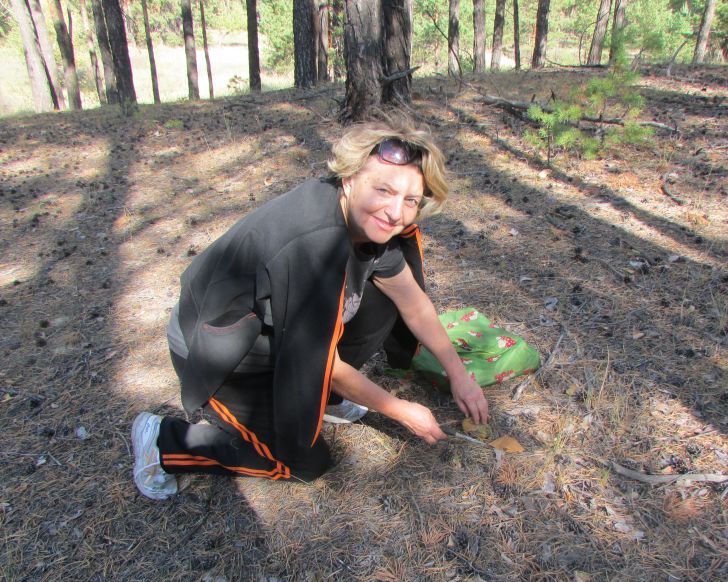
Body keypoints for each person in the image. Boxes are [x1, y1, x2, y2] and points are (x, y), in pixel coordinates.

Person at [131, 117, 489, 499]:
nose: (395, 212)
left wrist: (458, 373)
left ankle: (327, 403)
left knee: (385, 301)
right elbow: (322, 364)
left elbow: (412, 302)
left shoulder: (368, 225)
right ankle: (164, 441)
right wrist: (399, 409)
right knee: (302, 463)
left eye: (410, 200)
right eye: (383, 189)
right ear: (350, 179)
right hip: (217, 345)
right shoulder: (312, 244)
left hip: (276, 331)